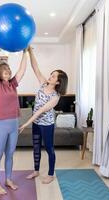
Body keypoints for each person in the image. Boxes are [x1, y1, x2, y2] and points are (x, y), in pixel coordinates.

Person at [19, 46, 68, 184]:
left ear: (58, 82)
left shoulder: (55, 97)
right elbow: (36, 68)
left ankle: (51, 174)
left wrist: (26, 124)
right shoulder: (43, 84)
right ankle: (36, 171)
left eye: (53, 76)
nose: (50, 76)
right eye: (51, 74)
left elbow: (40, 111)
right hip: (36, 124)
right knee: (36, 147)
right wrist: (30, 51)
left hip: (47, 126)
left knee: (49, 148)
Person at [0, 31, 27, 194]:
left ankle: (8, 179)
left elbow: (22, 71)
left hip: (13, 123)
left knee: (10, 154)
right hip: (0, 124)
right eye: (5, 72)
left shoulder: (12, 84)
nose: (9, 74)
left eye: (9, 72)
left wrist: (25, 51)